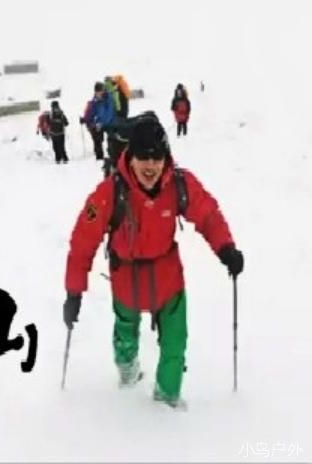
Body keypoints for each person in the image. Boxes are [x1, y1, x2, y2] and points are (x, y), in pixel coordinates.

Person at [62, 113, 244, 409]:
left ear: (166, 157)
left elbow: (208, 215)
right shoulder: (111, 192)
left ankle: (167, 398)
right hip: (126, 279)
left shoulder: (180, 184)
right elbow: (83, 239)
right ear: (130, 157)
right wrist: (74, 291)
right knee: (125, 333)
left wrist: (226, 249)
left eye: (157, 157)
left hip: (168, 278)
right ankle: (127, 370)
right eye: (143, 157)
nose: (151, 166)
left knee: (175, 343)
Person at [80, 82, 115, 161]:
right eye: (97, 92)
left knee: (112, 140)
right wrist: (86, 119)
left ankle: (112, 157)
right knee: (97, 139)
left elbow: (109, 113)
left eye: (100, 91)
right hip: (100, 123)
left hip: (110, 122)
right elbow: (92, 112)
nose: (98, 94)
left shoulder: (108, 98)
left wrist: (101, 123)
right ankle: (99, 158)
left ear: (103, 91)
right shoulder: (95, 100)